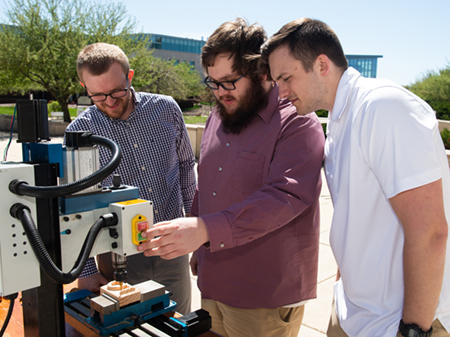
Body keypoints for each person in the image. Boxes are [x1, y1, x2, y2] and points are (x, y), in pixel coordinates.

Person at [260, 18, 450, 337]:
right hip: (351, 313)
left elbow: (431, 232)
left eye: (286, 78)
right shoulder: (338, 119)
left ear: (322, 65)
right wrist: (340, 285)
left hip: (398, 322)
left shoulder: (383, 107)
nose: (280, 93)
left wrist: (414, 330)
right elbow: (357, 220)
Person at [136, 18, 325, 337]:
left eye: (229, 81)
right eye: (213, 82)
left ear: (262, 72)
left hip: (263, 297)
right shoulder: (218, 116)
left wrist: (204, 229)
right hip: (213, 284)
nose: (220, 92)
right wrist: (199, 243)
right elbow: (206, 185)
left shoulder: (297, 123)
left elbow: (285, 198)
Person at [65, 42, 196, 315]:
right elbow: (76, 206)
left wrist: (197, 227)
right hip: (117, 256)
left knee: (179, 324)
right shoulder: (79, 132)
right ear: (84, 86)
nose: (110, 101)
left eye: (116, 91)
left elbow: (185, 167)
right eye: (98, 96)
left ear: (130, 76)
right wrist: (87, 270)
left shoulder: (166, 109)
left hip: (172, 245)